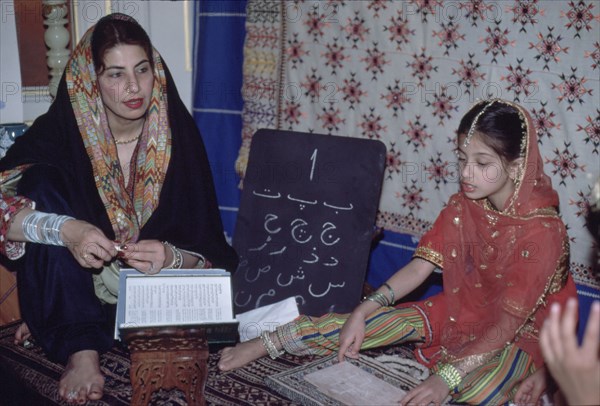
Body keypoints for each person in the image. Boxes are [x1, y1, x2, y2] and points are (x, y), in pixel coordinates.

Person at [218, 99, 577, 405]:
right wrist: (364, 308)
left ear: (516, 165)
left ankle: (547, 373)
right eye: (462, 157)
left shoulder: (543, 231)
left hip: (525, 332)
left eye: (482, 164)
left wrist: (444, 378)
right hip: (464, 307)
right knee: (367, 324)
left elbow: (507, 324)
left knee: (478, 389)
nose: (466, 173)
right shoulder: (462, 205)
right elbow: (421, 268)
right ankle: (270, 342)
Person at [0, 13, 238, 404]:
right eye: (115, 74)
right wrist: (69, 231)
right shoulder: (59, 134)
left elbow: (210, 247)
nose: (134, 87)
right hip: (74, 289)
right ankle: (81, 351)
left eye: (142, 70)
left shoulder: (178, 135)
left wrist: (172, 256)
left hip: (152, 299)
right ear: (90, 81)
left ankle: (49, 320)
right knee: (43, 184)